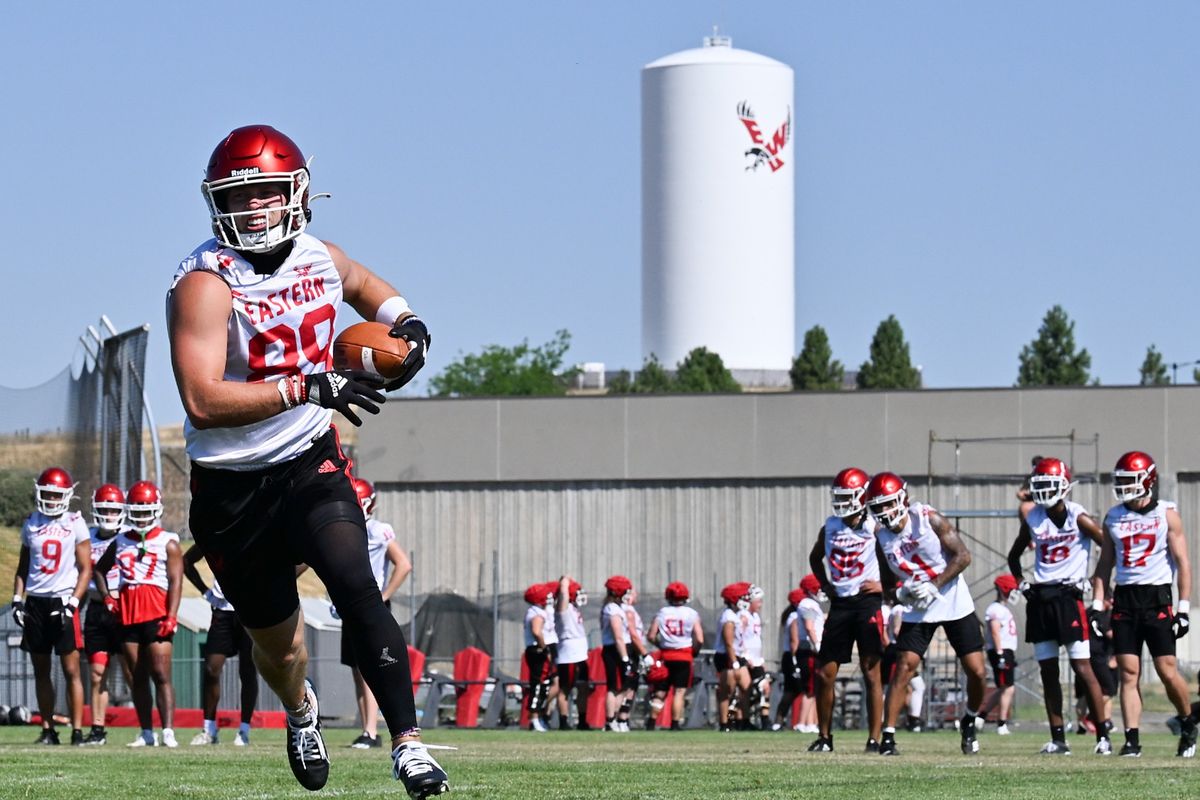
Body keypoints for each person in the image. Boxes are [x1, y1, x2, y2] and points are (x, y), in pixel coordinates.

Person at [167, 125, 446, 796]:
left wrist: (407, 325)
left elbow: (366, 285)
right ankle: (300, 711)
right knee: (281, 647)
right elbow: (203, 400)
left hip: (306, 458)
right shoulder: (206, 281)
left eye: (267, 192)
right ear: (218, 204)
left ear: (296, 192)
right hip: (232, 488)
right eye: (243, 196)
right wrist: (306, 385)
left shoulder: (321, 257)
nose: (256, 208)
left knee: (356, 581)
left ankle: (407, 744)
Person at [865, 471, 988, 757]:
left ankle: (969, 720)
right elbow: (888, 584)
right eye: (878, 506)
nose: (883, 512)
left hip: (952, 597)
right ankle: (888, 737)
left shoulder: (927, 518)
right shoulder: (881, 537)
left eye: (887, 504)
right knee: (904, 667)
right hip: (918, 606)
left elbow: (963, 556)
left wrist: (935, 585)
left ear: (902, 499)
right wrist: (901, 595)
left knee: (977, 671)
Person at [1006, 457, 1112, 756]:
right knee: (1048, 671)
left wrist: (1093, 580)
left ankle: (1102, 736)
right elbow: (1014, 557)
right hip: (1040, 597)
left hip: (1069, 596)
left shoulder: (1079, 516)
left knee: (1083, 668)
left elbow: (1108, 548)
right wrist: (1022, 584)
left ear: (1064, 486)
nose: (1043, 490)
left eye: (1048, 484)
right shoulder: (1033, 518)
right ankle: (1058, 738)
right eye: (1038, 484)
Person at [1094, 450, 1197, 758]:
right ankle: (1132, 740)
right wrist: (1098, 605)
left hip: (1157, 597)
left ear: (1147, 480)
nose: (1124, 487)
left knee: (1167, 670)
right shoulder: (1113, 516)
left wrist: (1183, 608)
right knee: (1128, 672)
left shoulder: (1166, 514)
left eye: (1130, 480)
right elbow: (1104, 564)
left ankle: (1188, 721)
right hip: (1125, 597)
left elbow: (1183, 563)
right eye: (1121, 481)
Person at [94, 481, 182, 748]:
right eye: (138, 510)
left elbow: (176, 581)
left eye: (146, 510)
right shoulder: (120, 540)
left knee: (161, 673)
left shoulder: (169, 541)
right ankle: (146, 732)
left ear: (156, 509)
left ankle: (168, 730)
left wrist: (172, 615)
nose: (142, 516)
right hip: (128, 614)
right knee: (137, 676)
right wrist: (108, 596)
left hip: (156, 612)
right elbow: (99, 569)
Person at [807, 468, 888, 753]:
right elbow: (815, 557)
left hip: (867, 603)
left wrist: (883, 586)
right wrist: (826, 586)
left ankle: (874, 739)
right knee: (824, 673)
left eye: (847, 496)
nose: (841, 502)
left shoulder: (874, 526)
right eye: (838, 497)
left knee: (870, 672)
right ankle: (825, 737)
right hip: (840, 603)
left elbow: (894, 556)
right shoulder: (830, 525)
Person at [11, 467, 92, 746]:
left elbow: (86, 569)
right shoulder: (31, 522)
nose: (52, 499)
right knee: (41, 669)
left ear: (67, 495)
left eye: (56, 494)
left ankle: (78, 731)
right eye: (47, 493)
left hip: (62, 599)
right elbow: (23, 567)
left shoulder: (75, 522)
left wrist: (72, 604)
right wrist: (16, 600)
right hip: (36, 602)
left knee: (71, 671)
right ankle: (48, 730)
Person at [339, 477, 413, 748]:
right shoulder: (348, 527)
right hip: (351, 604)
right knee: (358, 671)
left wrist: (384, 595)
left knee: (371, 668)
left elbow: (403, 564)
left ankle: (371, 730)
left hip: (370, 604)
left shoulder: (376, 529)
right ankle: (367, 729)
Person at [183, 544, 258, 746]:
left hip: (251, 610)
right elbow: (186, 561)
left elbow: (301, 561)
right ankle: (208, 729)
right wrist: (206, 592)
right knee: (211, 669)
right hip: (222, 610)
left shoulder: (259, 530)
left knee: (248, 671)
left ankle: (244, 729)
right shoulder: (217, 533)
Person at [82, 484, 133, 746]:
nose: (110, 515)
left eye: (114, 510)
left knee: (131, 670)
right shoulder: (86, 537)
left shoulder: (127, 536)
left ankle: (146, 727)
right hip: (96, 608)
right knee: (96, 674)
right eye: (105, 510)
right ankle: (98, 729)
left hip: (124, 607)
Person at [646, 581, 703, 731]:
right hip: (684, 656)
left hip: (666, 656)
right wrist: (693, 651)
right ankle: (675, 724)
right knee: (679, 691)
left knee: (660, 692)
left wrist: (662, 646)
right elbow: (700, 638)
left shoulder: (662, 613)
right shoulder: (691, 614)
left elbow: (651, 635)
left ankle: (651, 722)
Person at [978, 574, 1020, 735]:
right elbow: (995, 631)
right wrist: (1000, 653)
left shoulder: (1002, 609)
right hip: (1001, 650)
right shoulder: (994, 609)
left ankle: (981, 716)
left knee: (1003, 687)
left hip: (1006, 650)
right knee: (1008, 688)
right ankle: (1001, 723)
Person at [600, 575, 639, 731]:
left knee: (623, 687)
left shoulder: (617, 607)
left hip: (621, 649)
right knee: (614, 687)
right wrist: (624, 658)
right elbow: (618, 636)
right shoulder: (612, 609)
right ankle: (610, 721)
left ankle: (615, 719)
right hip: (615, 651)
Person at [554, 576, 591, 730]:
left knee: (583, 687)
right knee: (565, 688)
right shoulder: (563, 607)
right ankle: (563, 721)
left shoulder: (574, 608)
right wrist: (565, 580)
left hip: (581, 654)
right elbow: (563, 593)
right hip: (568, 654)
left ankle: (582, 721)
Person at [714, 582, 752, 732]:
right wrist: (734, 661)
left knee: (746, 688)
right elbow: (728, 642)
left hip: (737, 655)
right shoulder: (728, 617)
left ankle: (744, 721)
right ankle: (725, 723)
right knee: (727, 692)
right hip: (728, 657)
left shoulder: (736, 615)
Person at [522, 582, 557, 733]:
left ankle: (539, 715)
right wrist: (545, 649)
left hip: (541, 649)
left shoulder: (540, 610)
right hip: (538, 651)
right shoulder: (536, 613)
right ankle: (534, 719)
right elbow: (537, 631)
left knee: (548, 684)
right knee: (539, 684)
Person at [739, 585, 772, 730]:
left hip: (756, 660)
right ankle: (741, 721)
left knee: (765, 688)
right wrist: (746, 657)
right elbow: (739, 638)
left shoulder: (755, 617)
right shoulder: (743, 616)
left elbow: (756, 640)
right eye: (758, 601)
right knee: (744, 692)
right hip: (747, 660)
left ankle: (764, 721)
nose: (760, 604)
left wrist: (760, 659)